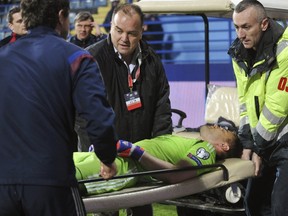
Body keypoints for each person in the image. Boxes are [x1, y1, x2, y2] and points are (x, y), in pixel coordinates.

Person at [0, 0, 119, 215]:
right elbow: (98, 119)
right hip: (51, 182)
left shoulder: (3, 56)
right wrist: (108, 158)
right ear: (62, 16)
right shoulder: (77, 57)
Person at [84, 3, 173, 215]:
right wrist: (97, 153)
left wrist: (160, 150)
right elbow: (82, 115)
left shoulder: (152, 61)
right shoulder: (92, 59)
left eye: (132, 33)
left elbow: (162, 108)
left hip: (141, 154)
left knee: (143, 209)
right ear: (111, 27)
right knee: (106, 210)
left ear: (142, 31)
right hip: (104, 155)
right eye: (119, 30)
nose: (124, 38)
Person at [227, 1, 288, 216]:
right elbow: (244, 102)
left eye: (246, 27)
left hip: (284, 142)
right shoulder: (238, 53)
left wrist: (257, 149)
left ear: (263, 24)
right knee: (253, 206)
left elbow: (277, 108)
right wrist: (247, 144)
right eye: (236, 27)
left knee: (281, 208)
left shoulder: (285, 50)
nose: (240, 34)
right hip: (264, 140)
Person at [75, 122, 243, 196]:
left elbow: (175, 175)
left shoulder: (205, 150)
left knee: (60, 179)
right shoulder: (193, 141)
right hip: (113, 158)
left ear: (224, 146)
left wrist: (136, 152)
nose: (217, 126)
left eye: (224, 130)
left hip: (123, 168)